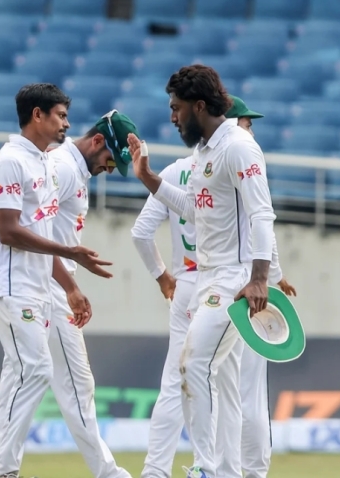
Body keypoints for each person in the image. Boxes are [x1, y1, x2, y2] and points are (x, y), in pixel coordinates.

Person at [0, 110, 140, 478]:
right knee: (75, 384)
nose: (110, 168)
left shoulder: (69, 168)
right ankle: (107, 473)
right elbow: (30, 229)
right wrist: (67, 287)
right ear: (97, 142)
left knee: (13, 383)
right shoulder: (59, 167)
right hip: (48, 289)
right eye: (110, 160)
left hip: (37, 286)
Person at [132, 95, 294, 478]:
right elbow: (193, 209)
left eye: (176, 107)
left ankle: (206, 468)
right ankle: (227, 471)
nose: (172, 116)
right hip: (208, 280)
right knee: (229, 388)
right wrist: (148, 178)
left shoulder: (238, 147)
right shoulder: (204, 154)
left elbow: (262, 215)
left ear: (199, 106)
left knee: (193, 368)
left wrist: (260, 278)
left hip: (236, 283)